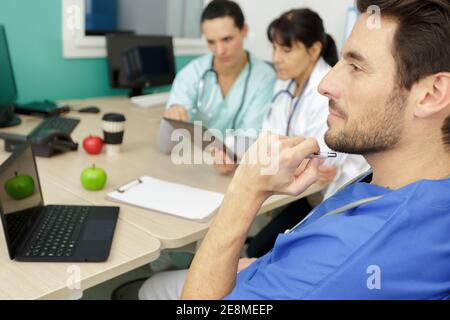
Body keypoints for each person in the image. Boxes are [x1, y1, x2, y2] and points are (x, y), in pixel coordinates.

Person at [141, 0, 450, 300]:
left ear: (432, 94)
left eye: (356, 66)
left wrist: (245, 192)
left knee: (151, 288)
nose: (325, 82)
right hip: (283, 258)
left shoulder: (351, 253)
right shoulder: (401, 185)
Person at [212, 9, 370, 257]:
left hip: (331, 201)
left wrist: (279, 160)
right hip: (301, 194)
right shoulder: (284, 84)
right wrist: (230, 148)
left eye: (286, 50)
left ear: (314, 50)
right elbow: (268, 137)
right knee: (255, 244)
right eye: (274, 48)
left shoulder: (328, 92)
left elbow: (318, 159)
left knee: (258, 249)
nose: (276, 58)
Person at [162, 0, 276, 136]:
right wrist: (174, 113)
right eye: (211, 42)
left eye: (227, 39)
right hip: (193, 152)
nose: (219, 50)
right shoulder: (192, 73)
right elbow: (170, 134)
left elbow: (250, 136)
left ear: (244, 31)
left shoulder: (265, 77)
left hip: (239, 156)